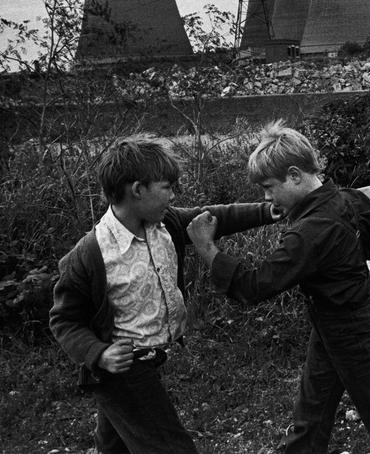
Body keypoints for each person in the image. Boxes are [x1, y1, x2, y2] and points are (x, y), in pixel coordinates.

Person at [186, 120, 370, 454]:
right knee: (310, 419)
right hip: (338, 325)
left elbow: (254, 286)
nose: (267, 196)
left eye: (269, 186)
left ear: (295, 175)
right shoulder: (348, 199)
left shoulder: (312, 231)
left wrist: (207, 249)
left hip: (357, 336)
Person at [49, 136, 279, 454]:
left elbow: (214, 217)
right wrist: (98, 353)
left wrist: (270, 210)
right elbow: (64, 319)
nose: (173, 195)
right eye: (167, 187)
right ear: (137, 190)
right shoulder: (91, 255)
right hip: (125, 369)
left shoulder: (164, 223)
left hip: (145, 363)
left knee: (116, 446)